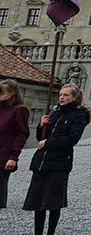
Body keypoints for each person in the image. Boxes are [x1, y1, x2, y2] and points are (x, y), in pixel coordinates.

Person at [23, 83, 91, 235]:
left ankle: (51, 232)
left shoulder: (78, 115)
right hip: (41, 162)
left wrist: (49, 143)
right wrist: (42, 126)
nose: (62, 97)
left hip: (59, 163)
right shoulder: (54, 113)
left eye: (66, 95)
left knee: (53, 202)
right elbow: (41, 137)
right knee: (38, 202)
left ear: (75, 98)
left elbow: (72, 139)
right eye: (61, 94)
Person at [0, 79, 29, 209]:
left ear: (12, 93)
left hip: (4, 155)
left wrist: (13, 157)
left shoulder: (19, 110)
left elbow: (22, 134)